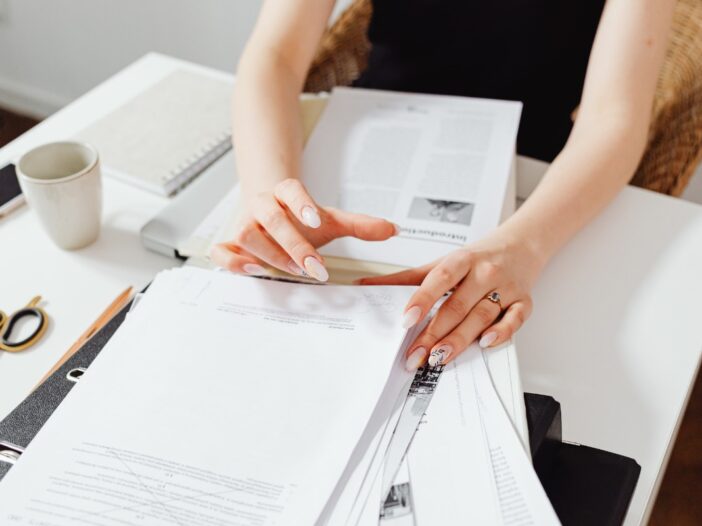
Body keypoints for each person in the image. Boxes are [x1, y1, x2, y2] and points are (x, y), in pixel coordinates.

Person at [211, 0, 675, 371]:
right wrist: (271, 193)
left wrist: (523, 248)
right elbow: (275, 56)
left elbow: (613, 116)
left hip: (531, 187)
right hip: (364, 155)